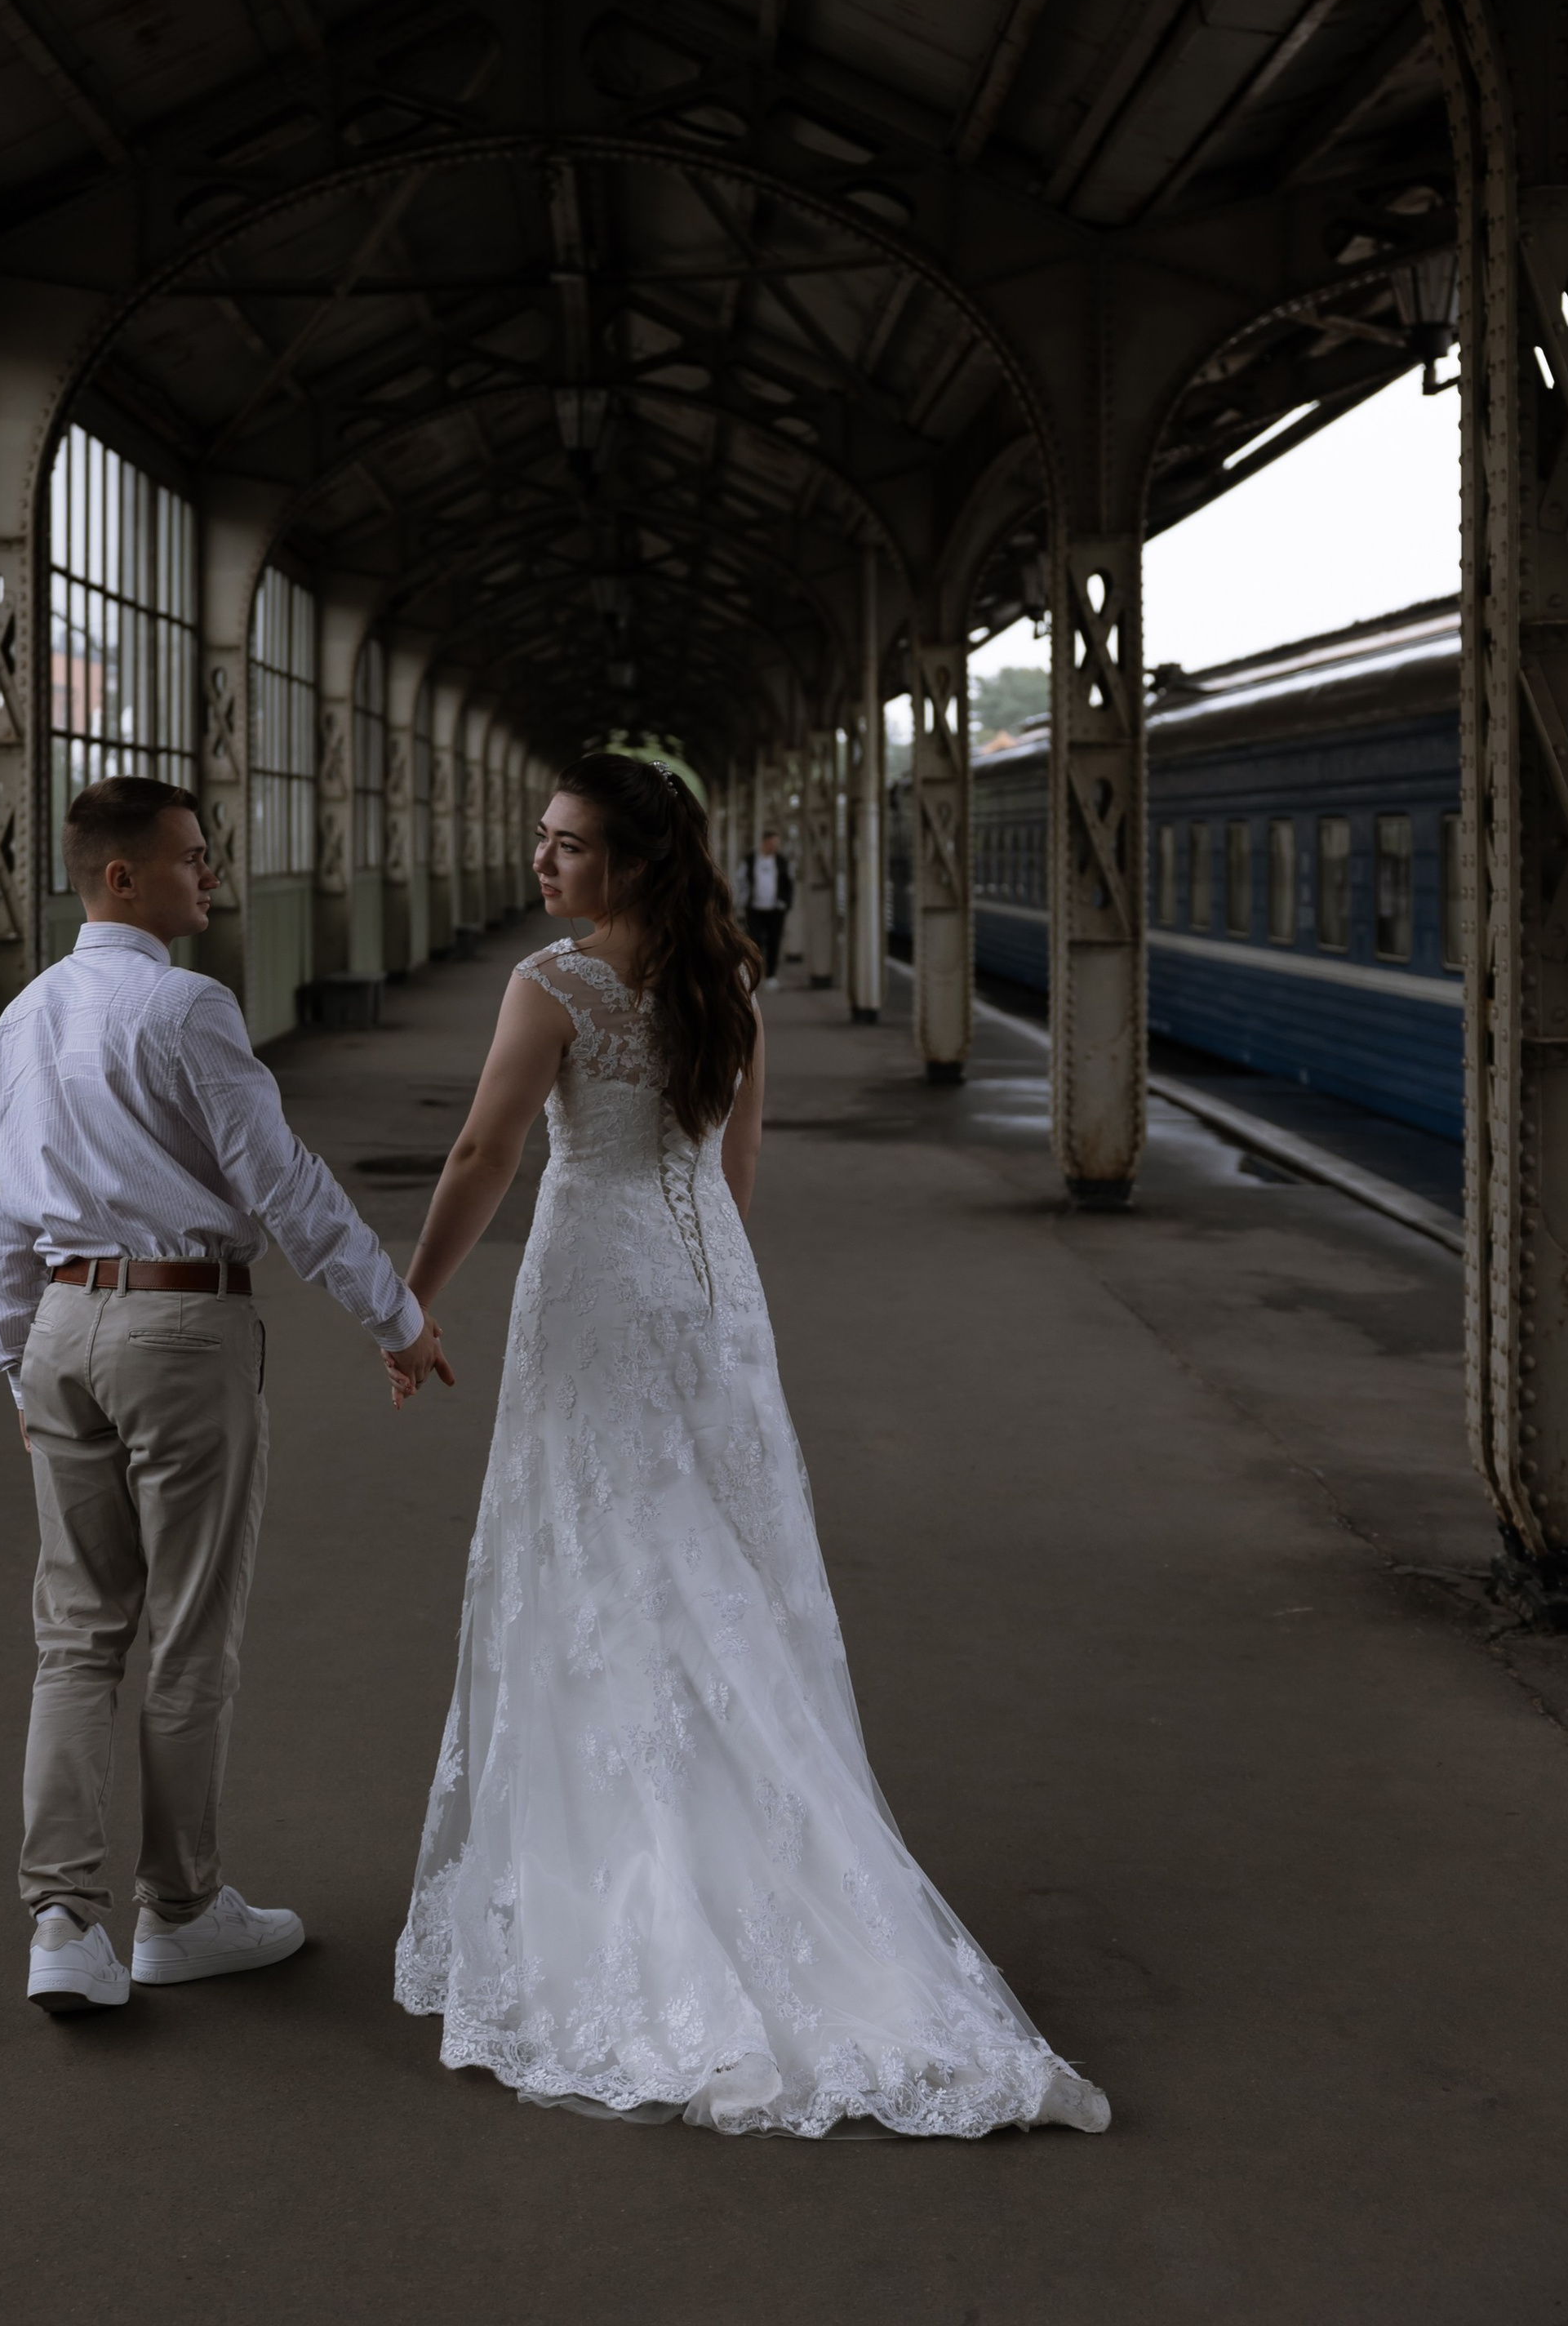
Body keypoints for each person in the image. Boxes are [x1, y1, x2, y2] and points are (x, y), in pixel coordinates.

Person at [389, 750, 1109, 2139]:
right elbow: (739, 1158)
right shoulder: (730, 975)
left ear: (632, 861)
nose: (543, 862)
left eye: (569, 845)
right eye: (543, 838)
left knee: (599, 1562)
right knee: (711, 1563)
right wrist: (710, 1289)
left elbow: (484, 1154)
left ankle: (629, 1877)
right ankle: (747, 1858)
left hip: (594, 1288)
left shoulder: (552, 986)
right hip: (707, 1291)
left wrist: (409, 1301)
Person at [0, 774, 448, 2018]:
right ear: (122, 877)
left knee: (77, 1636)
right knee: (187, 1633)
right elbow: (282, 1182)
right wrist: (395, 1319)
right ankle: (179, 1915)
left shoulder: (24, 1014)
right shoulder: (186, 1006)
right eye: (191, 857)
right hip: (181, 1328)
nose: (210, 874)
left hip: (61, 1324)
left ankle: (63, 1925)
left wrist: (13, 1355)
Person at [736, 825, 793, 986]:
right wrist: (741, 901)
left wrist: (785, 902)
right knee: (754, 942)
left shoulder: (781, 861)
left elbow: (788, 883)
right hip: (754, 908)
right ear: (765, 842)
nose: (775, 847)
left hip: (776, 909)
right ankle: (754, 973)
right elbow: (741, 879)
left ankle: (771, 975)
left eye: (777, 844)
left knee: (774, 942)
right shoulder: (751, 859)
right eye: (772, 843)